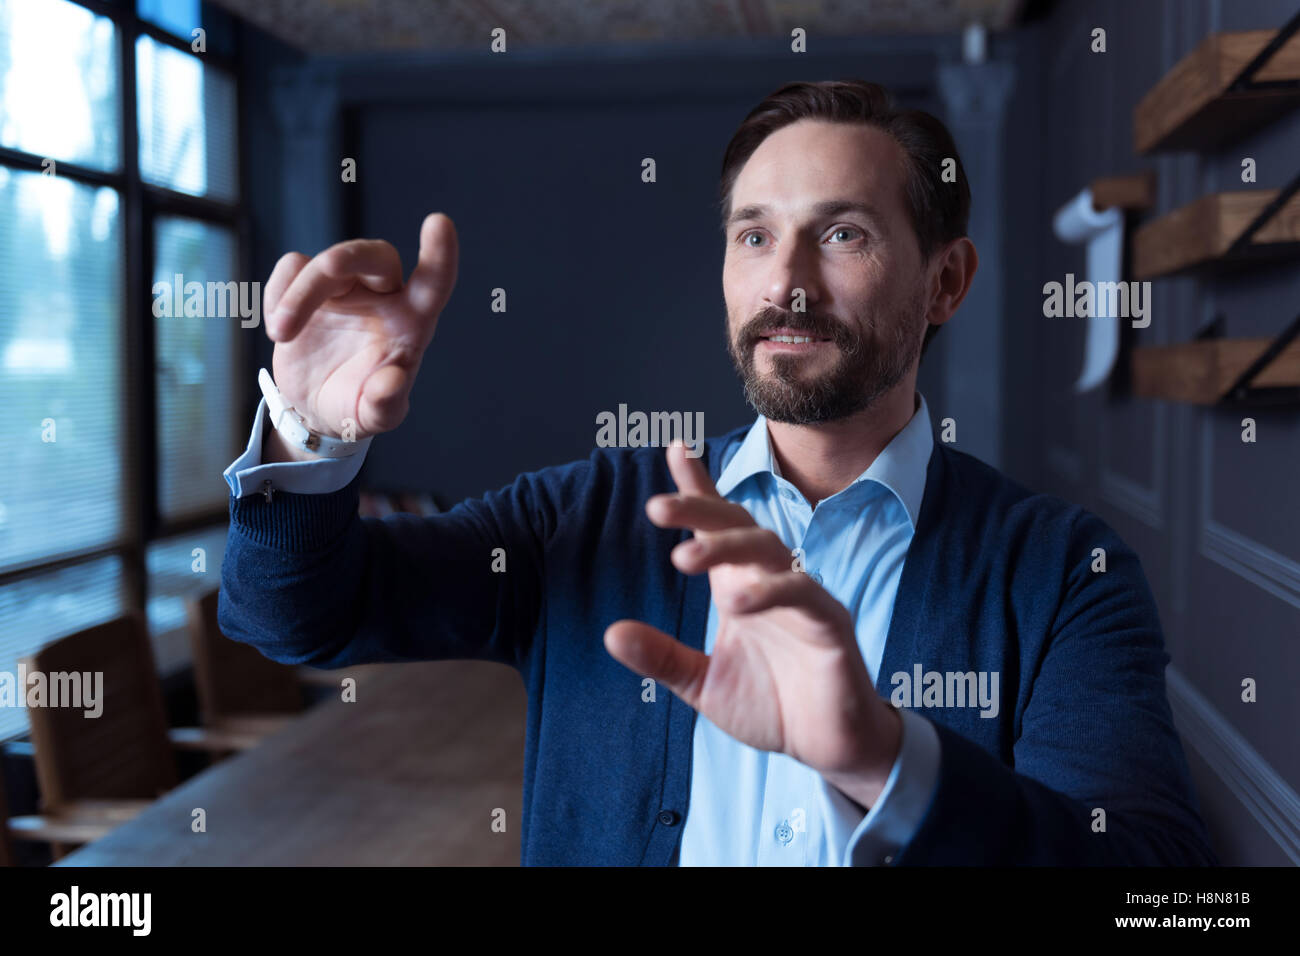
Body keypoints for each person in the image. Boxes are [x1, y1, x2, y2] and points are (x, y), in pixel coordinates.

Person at [219, 79, 1217, 866]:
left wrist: (882, 755)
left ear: (945, 280)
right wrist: (307, 426)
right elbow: (295, 617)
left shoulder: (1061, 572)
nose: (785, 279)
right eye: (754, 235)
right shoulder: (588, 520)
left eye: (841, 233)